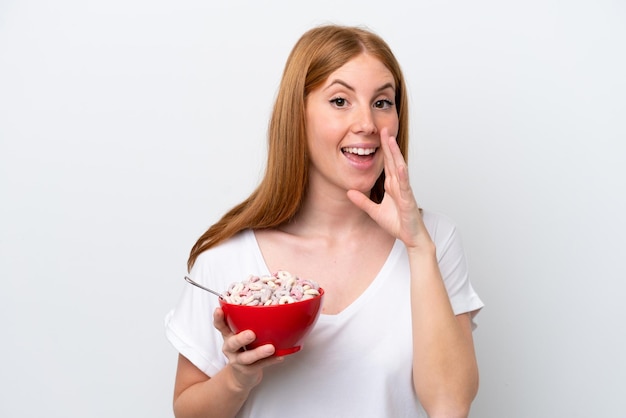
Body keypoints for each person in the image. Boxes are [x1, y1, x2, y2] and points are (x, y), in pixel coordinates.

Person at [165, 24, 484, 418]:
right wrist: (237, 379)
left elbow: (450, 406)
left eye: (383, 102)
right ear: (297, 115)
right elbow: (187, 411)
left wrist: (418, 249)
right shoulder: (227, 259)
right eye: (339, 101)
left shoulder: (434, 240)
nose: (367, 123)